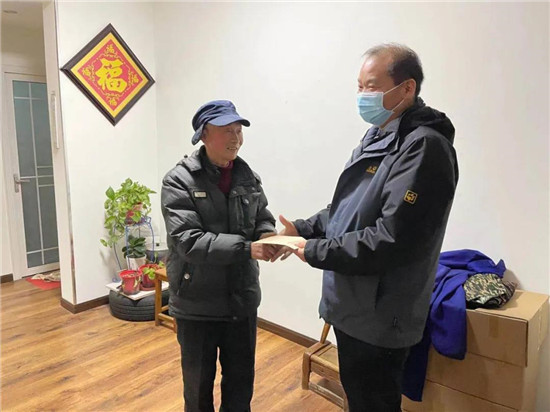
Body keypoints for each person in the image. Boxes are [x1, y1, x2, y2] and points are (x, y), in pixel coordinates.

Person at [273, 43, 459, 412]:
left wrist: (312, 250)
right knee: (358, 398)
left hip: (380, 316)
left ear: (407, 88)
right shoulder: (379, 135)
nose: (362, 96)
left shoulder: (423, 147)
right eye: (359, 86)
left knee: (373, 402)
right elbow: (346, 211)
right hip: (354, 306)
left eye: (371, 87)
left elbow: (392, 239)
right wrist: (302, 229)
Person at [161, 100, 276, 412]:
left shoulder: (248, 176)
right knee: (198, 387)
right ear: (203, 135)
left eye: (239, 130)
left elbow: (262, 217)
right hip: (197, 303)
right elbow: (188, 241)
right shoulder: (178, 181)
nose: (236, 138)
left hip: (241, 299)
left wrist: (268, 235)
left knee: (240, 383)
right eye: (227, 130)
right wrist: (247, 248)